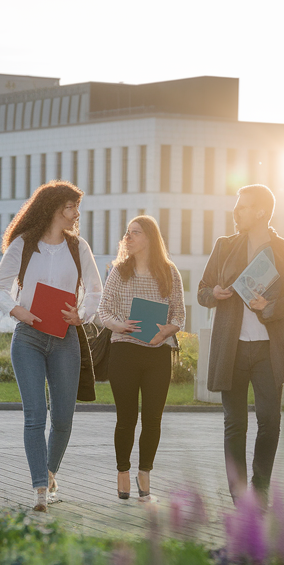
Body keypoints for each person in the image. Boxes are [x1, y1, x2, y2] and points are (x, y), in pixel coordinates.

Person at [0, 181, 102, 512]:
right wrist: (16, 309)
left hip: (65, 337)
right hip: (28, 338)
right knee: (36, 414)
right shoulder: (23, 245)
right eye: (71, 207)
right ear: (55, 208)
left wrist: (81, 315)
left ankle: (50, 472)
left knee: (64, 418)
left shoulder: (78, 247)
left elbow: (95, 289)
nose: (76, 213)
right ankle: (40, 487)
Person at [198, 184, 284, 505]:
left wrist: (268, 307)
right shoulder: (224, 246)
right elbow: (202, 291)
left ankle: (260, 490)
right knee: (235, 424)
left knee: (270, 421)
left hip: (266, 350)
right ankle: (239, 496)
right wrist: (213, 294)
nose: (236, 211)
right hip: (231, 349)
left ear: (260, 211)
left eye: (243, 207)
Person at [97, 215, 185, 502]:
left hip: (158, 352)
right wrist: (120, 325)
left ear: (150, 237)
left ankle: (144, 472)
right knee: (126, 418)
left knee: (153, 419)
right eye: (127, 233)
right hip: (124, 351)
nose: (129, 238)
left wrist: (166, 331)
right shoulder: (118, 271)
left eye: (135, 233)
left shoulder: (169, 272)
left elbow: (180, 315)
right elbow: (103, 311)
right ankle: (123, 472)